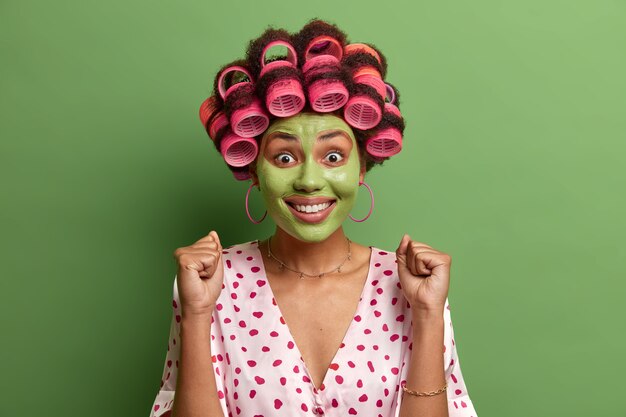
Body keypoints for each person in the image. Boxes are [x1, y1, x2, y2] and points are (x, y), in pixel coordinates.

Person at [149, 19, 478, 417]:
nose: (308, 180)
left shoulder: (416, 287)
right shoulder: (209, 284)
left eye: (334, 156)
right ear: (254, 169)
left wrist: (426, 316)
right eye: (284, 157)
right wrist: (198, 314)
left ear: (361, 167)